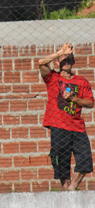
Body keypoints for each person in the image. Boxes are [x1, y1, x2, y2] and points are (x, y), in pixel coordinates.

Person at [38, 43, 94, 190]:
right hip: (58, 125)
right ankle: (66, 189)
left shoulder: (82, 82)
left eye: (69, 59)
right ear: (57, 62)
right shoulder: (52, 78)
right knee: (60, 161)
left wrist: (74, 99)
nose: (66, 62)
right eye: (63, 60)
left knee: (85, 159)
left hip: (77, 127)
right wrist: (60, 52)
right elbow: (41, 63)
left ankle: (71, 189)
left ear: (73, 62)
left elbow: (90, 103)